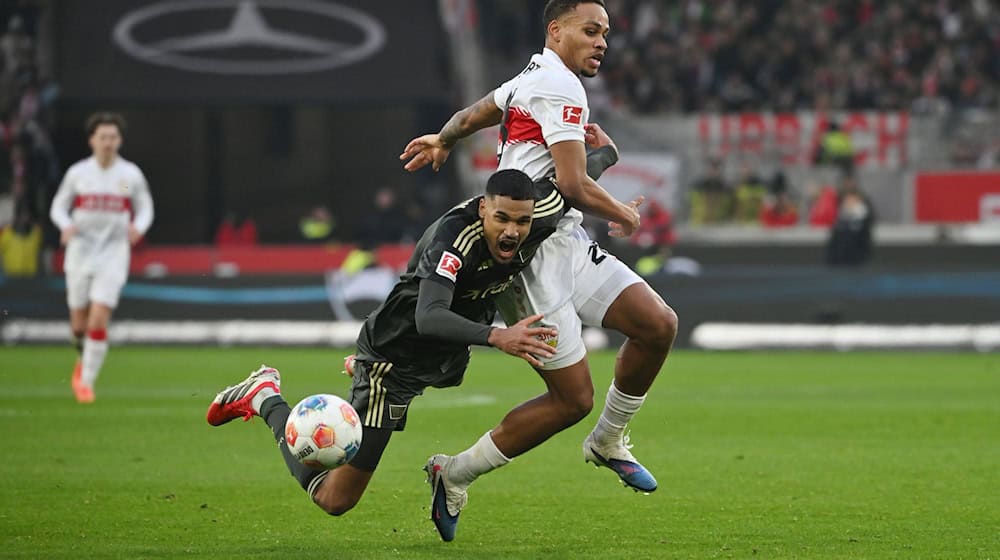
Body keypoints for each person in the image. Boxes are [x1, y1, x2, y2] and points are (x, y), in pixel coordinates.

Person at [205, 142, 621, 537]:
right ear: (482, 209)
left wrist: (606, 152)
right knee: (336, 499)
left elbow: (572, 185)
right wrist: (498, 336)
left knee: (451, 368)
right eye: (502, 220)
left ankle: (359, 376)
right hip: (397, 357)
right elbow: (429, 316)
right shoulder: (453, 241)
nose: (513, 232)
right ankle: (265, 397)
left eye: (522, 221)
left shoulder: (539, 210)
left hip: (443, 356)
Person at [399, 0, 677, 541]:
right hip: (528, 259)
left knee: (657, 324)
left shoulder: (533, 74)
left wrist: (445, 137)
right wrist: (623, 211)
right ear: (556, 30)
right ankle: (453, 472)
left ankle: (608, 440)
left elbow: (476, 113)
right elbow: (573, 184)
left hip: (565, 240)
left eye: (606, 33)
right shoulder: (560, 86)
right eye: (590, 30)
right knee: (572, 400)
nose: (602, 42)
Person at [49, 112, 154, 403]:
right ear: (92, 140)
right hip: (80, 252)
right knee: (78, 327)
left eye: (113, 137)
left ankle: (86, 382)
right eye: (102, 137)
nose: (108, 142)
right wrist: (66, 226)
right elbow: (58, 207)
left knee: (98, 320)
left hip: (114, 252)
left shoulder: (128, 175)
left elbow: (145, 207)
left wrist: (138, 227)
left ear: (119, 140)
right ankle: (83, 360)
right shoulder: (78, 174)